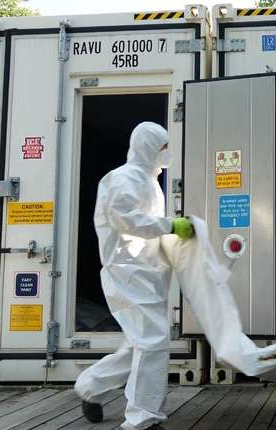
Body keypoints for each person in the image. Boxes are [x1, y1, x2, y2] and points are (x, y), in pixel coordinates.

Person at [74, 122, 195, 430]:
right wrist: (170, 225)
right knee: (152, 342)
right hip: (126, 273)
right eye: (164, 146)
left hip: (146, 274)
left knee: (138, 344)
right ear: (148, 146)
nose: (167, 152)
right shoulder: (122, 178)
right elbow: (125, 219)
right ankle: (142, 419)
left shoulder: (150, 182)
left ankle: (90, 386)